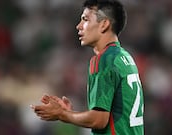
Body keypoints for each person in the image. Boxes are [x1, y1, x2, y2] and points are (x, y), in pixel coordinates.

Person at [31, 0, 144, 134]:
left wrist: (62, 114)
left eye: (85, 19)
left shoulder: (104, 60)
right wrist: (70, 113)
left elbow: (98, 120)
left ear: (104, 24)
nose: (79, 26)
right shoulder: (125, 57)